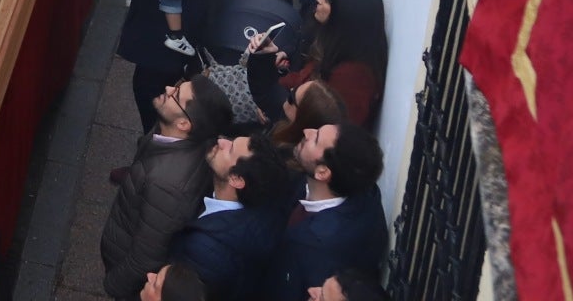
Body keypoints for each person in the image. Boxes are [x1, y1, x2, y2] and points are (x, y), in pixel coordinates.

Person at [100, 76, 235, 300]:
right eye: (178, 85)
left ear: (184, 124)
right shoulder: (172, 132)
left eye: (176, 95)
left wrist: (114, 287)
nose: (168, 88)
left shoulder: (168, 185)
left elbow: (145, 257)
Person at [263, 124, 387, 301]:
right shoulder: (362, 186)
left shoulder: (312, 247)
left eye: (316, 139)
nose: (306, 131)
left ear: (322, 172)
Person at [251, 0, 389, 131]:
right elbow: (296, 82)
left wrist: (274, 97)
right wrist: (265, 58)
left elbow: (323, 130)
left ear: (346, 14)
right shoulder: (334, 49)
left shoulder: (352, 78)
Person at [172, 135, 295, 301]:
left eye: (230, 150)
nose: (222, 141)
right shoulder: (265, 209)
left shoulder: (205, 249)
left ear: (236, 180)